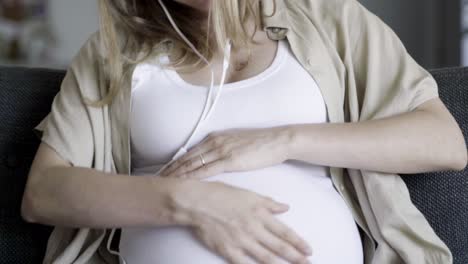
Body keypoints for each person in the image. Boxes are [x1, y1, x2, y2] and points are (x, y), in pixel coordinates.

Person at [21, 0, 467, 263]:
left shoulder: (330, 19)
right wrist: (187, 204)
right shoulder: (114, 52)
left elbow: (443, 142)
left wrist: (284, 140)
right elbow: (43, 193)